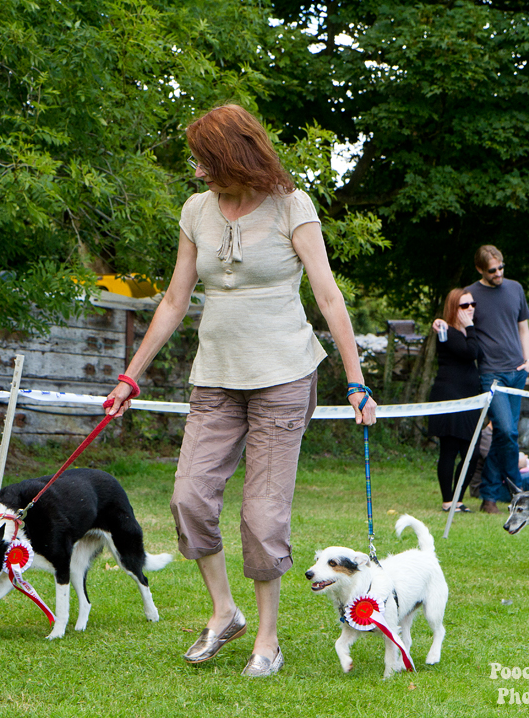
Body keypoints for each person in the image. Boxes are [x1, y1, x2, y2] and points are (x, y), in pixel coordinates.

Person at [103, 105, 376, 678]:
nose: (198, 170)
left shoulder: (291, 206)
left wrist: (355, 382)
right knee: (190, 498)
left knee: (262, 514)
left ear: (235, 157)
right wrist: (131, 376)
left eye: (206, 159)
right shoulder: (196, 211)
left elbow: (328, 297)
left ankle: (268, 639)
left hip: (283, 375)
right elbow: (175, 301)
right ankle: (224, 612)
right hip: (215, 378)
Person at [465, 245, 529, 514]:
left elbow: (523, 327)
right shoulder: (471, 294)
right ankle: (518, 493)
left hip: (517, 372)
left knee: (503, 436)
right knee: (506, 431)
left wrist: (528, 362)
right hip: (491, 374)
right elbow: (459, 323)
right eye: (492, 270)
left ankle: (489, 496)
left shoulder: (515, 288)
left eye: (501, 267)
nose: (498, 273)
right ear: (480, 269)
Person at [430, 289, 481, 512]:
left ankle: (458, 498)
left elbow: (477, 351)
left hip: (470, 399)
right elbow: (470, 353)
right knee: (449, 449)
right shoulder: (446, 330)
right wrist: (469, 327)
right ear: (454, 309)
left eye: (472, 304)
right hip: (450, 397)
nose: (470, 308)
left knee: (473, 451)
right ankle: (448, 500)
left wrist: (470, 328)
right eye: (464, 305)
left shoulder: (471, 332)